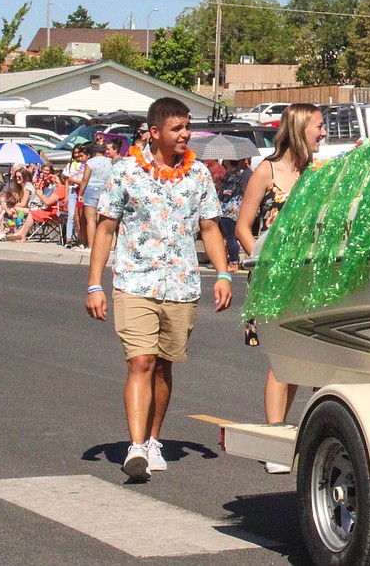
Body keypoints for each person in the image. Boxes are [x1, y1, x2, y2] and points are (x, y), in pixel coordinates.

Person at [85, 97, 232, 481]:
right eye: (177, 128)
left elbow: (210, 227)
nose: (185, 135)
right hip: (134, 281)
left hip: (181, 284)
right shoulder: (125, 172)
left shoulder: (198, 174)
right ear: (154, 132)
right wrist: (94, 284)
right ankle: (135, 448)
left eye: (187, 127)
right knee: (141, 361)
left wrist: (223, 274)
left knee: (163, 366)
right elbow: (105, 229)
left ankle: (153, 440)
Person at [236, 103, 326, 472]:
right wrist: (262, 262)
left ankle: (284, 433)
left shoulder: (318, 175)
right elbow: (243, 226)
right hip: (273, 277)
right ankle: (275, 436)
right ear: (300, 128)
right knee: (280, 357)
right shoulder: (266, 171)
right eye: (319, 126)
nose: (323, 133)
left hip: (307, 277)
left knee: (301, 356)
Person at [216, 158, 252, 273]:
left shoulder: (233, 176)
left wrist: (220, 186)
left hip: (229, 209)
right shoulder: (239, 175)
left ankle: (233, 262)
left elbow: (228, 192)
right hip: (237, 208)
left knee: (230, 237)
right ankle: (232, 260)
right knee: (232, 236)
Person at [78, 144, 113, 245]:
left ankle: (91, 244)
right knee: (104, 219)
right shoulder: (110, 161)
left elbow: (85, 179)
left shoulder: (91, 162)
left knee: (90, 220)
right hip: (105, 189)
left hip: (91, 189)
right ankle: (104, 244)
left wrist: (81, 193)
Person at [62, 144, 89, 247]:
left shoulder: (86, 165)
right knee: (71, 215)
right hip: (72, 191)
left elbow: (84, 181)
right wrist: (66, 196)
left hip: (82, 191)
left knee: (80, 217)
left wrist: (74, 181)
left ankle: (81, 238)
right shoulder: (71, 165)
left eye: (79, 153)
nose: (77, 155)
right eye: (75, 153)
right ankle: (68, 239)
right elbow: (67, 181)